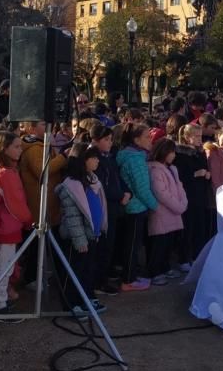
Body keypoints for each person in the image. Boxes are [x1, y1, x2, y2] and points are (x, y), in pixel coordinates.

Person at [0, 131, 32, 318]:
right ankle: (0, 302)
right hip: (6, 225)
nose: (20, 150)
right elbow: (16, 203)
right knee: (4, 265)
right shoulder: (6, 174)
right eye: (16, 147)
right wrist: (28, 219)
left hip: (1, 224)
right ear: (5, 149)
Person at [55, 145, 108, 316]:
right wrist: (79, 240)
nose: (97, 161)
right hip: (77, 239)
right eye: (93, 158)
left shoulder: (92, 180)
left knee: (88, 270)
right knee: (73, 271)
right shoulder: (71, 185)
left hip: (92, 235)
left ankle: (85, 298)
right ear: (82, 160)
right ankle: (71, 303)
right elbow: (72, 217)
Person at [116, 124, 157, 291]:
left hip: (133, 206)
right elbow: (141, 188)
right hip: (135, 207)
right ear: (136, 139)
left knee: (130, 244)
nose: (151, 139)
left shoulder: (132, 155)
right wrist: (155, 205)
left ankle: (130, 275)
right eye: (147, 136)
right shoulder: (135, 159)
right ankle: (128, 279)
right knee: (132, 245)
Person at [90, 123, 130, 296]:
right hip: (104, 207)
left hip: (114, 206)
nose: (110, 143)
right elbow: (100, 186)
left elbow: (117, 178)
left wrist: (127, 192)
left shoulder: (109, 157)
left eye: (111, 139)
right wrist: (120, 195)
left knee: (110, 245)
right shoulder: (95, 159)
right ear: (95, 140)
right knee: (103, 246)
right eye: (106, 140)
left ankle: (103, 277)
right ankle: (98, 281)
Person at [146, 138, 188, 286]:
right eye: (172, 152)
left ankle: (165, 268)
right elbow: (161, 193)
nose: (174, 155)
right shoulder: (155, 170)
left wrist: (183, 203)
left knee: (169, 242)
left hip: (174, 211)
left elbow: (179, 186)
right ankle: (155, 272)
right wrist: (178, 206)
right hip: (162, 212)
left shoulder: (172, 169)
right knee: (159, 244)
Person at [175, 124, 211, 267]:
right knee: (187, 227)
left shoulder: (200, 152)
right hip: (188, 194)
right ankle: (183, 258)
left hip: (200, 194)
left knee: (199, 226)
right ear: (186, 137)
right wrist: (195, 174)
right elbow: (179, 175)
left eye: (200, 136)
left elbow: (205, 168)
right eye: (196, 136)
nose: (199, 139)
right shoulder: (181, 154)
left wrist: (207, 173)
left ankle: (198, 256)